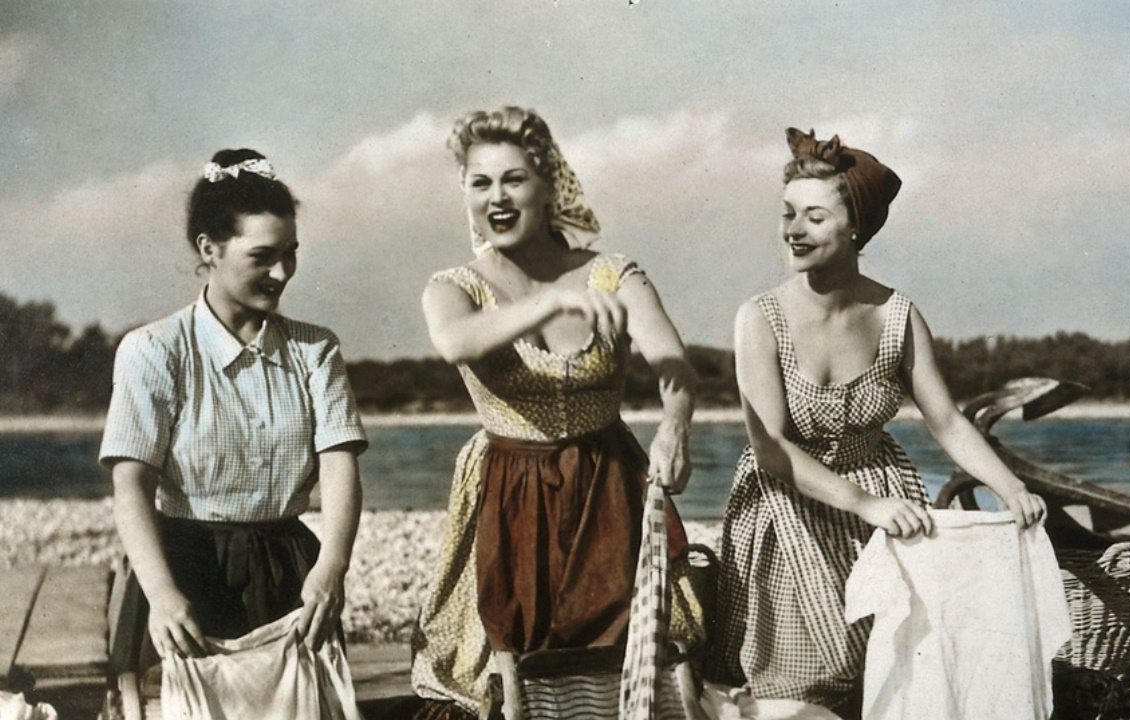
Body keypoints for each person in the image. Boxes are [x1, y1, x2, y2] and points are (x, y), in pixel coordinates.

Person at [709, 128, 1047, 718]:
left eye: (815, 216)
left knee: (897, 673)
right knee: (800, 685)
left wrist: (1011, 487)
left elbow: (947, 421)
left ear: (856, 228)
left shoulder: (897, 315)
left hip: (884, 500)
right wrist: (866, 505)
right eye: (788, 213)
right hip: (789, 508)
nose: (794, 230)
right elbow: (772, 451)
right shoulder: (759, 317)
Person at [409, 106, 701, 719]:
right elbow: (456, 342)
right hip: (507, 495)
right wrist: (549, 304)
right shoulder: (453, 287)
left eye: (514, 179)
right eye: (480, 183)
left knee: (629, 665)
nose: (497, 197)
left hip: (609, 486)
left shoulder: (612, 273)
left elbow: (675, 365)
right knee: (508, 675)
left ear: (549, 187)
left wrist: (675, 427)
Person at [100, 149, 367, 672]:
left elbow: (340, 465)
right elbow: (130, 483)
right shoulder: (155, 350)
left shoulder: (316, 350)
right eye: (263, 256)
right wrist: (161, 594)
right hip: (186, 571)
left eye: (290, 254)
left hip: (292, 573)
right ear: (210, 249)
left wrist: (332, 567)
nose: (281, 272)